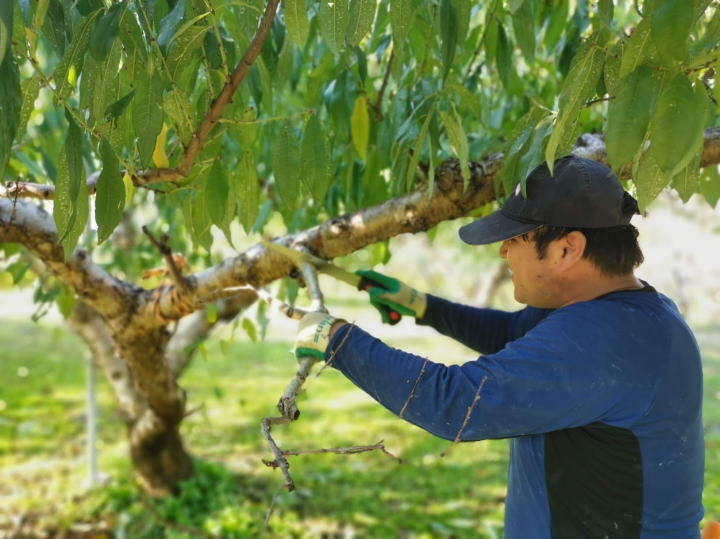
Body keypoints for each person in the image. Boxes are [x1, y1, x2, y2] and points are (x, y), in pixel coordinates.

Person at [293, 155, 705, 538]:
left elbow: (454, 404)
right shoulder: (624, 314)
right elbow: (515, 336)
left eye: (516, 238)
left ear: (567, 248)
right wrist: (422, 306)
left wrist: (336, 340)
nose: (504, 250)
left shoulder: (603, 337)